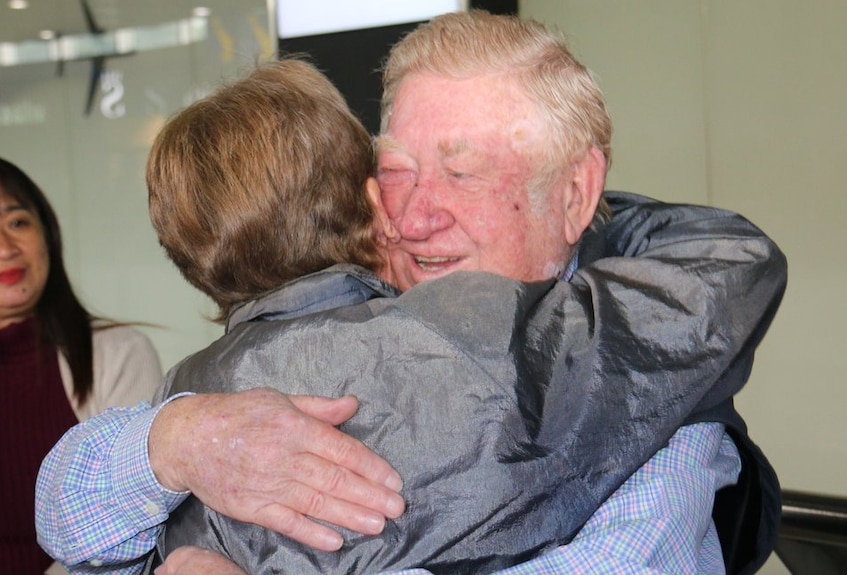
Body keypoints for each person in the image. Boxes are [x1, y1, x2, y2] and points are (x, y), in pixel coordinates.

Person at [36, 10, 785, 575]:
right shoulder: (333, 325)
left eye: (463, 173)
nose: (415, 214)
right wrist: (174, 441)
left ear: (575, 194)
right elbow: (62, 508)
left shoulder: (654, 403)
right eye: (395, 171)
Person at [0, 157, 163, 575]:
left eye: (18, 222)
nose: (5, 247)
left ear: (47, 236)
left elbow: (135, 521)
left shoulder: (120, 354)